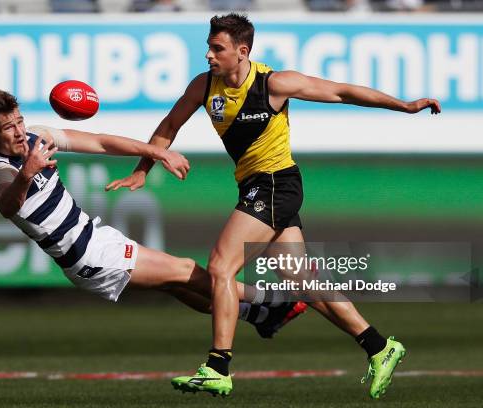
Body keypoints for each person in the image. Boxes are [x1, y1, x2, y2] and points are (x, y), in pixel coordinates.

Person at [106, 13, 441, 398]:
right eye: (209, 47)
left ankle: (218, 364)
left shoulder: (274, 83)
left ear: (242, 51)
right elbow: (169, 125)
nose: (209, 56)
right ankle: (380, 347)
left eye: (218, 49)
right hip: (254, 186)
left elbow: (342, 92)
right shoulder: (204, 86)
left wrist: (405, 106)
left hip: (275, 184)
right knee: (303, 282)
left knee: (220, 266)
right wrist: (143, 168)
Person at [0, 88, 306, 342]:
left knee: (178, 286)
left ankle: (260, 317)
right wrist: (28, 172)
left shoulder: (39, 137)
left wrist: (157, 152)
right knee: (186, 270)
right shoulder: (1, 172)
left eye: (19, 121)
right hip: (88, 256)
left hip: (95, 238)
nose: (19, 132)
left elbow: (101, 142)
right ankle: (276, 301)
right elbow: (9, 205)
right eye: (8, 128)